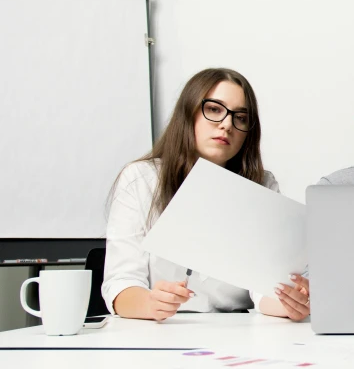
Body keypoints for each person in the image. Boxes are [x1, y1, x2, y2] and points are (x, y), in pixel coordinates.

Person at [102, 68, 309, 321]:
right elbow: (121, 282)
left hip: (236, 327)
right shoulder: (142, 179)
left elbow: (264, 287)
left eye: (241, 118)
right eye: (214, 109)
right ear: (188, 112)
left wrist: (290, 304)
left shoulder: (262, 184)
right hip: (162, 328)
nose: (226, 124)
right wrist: (149, 303)